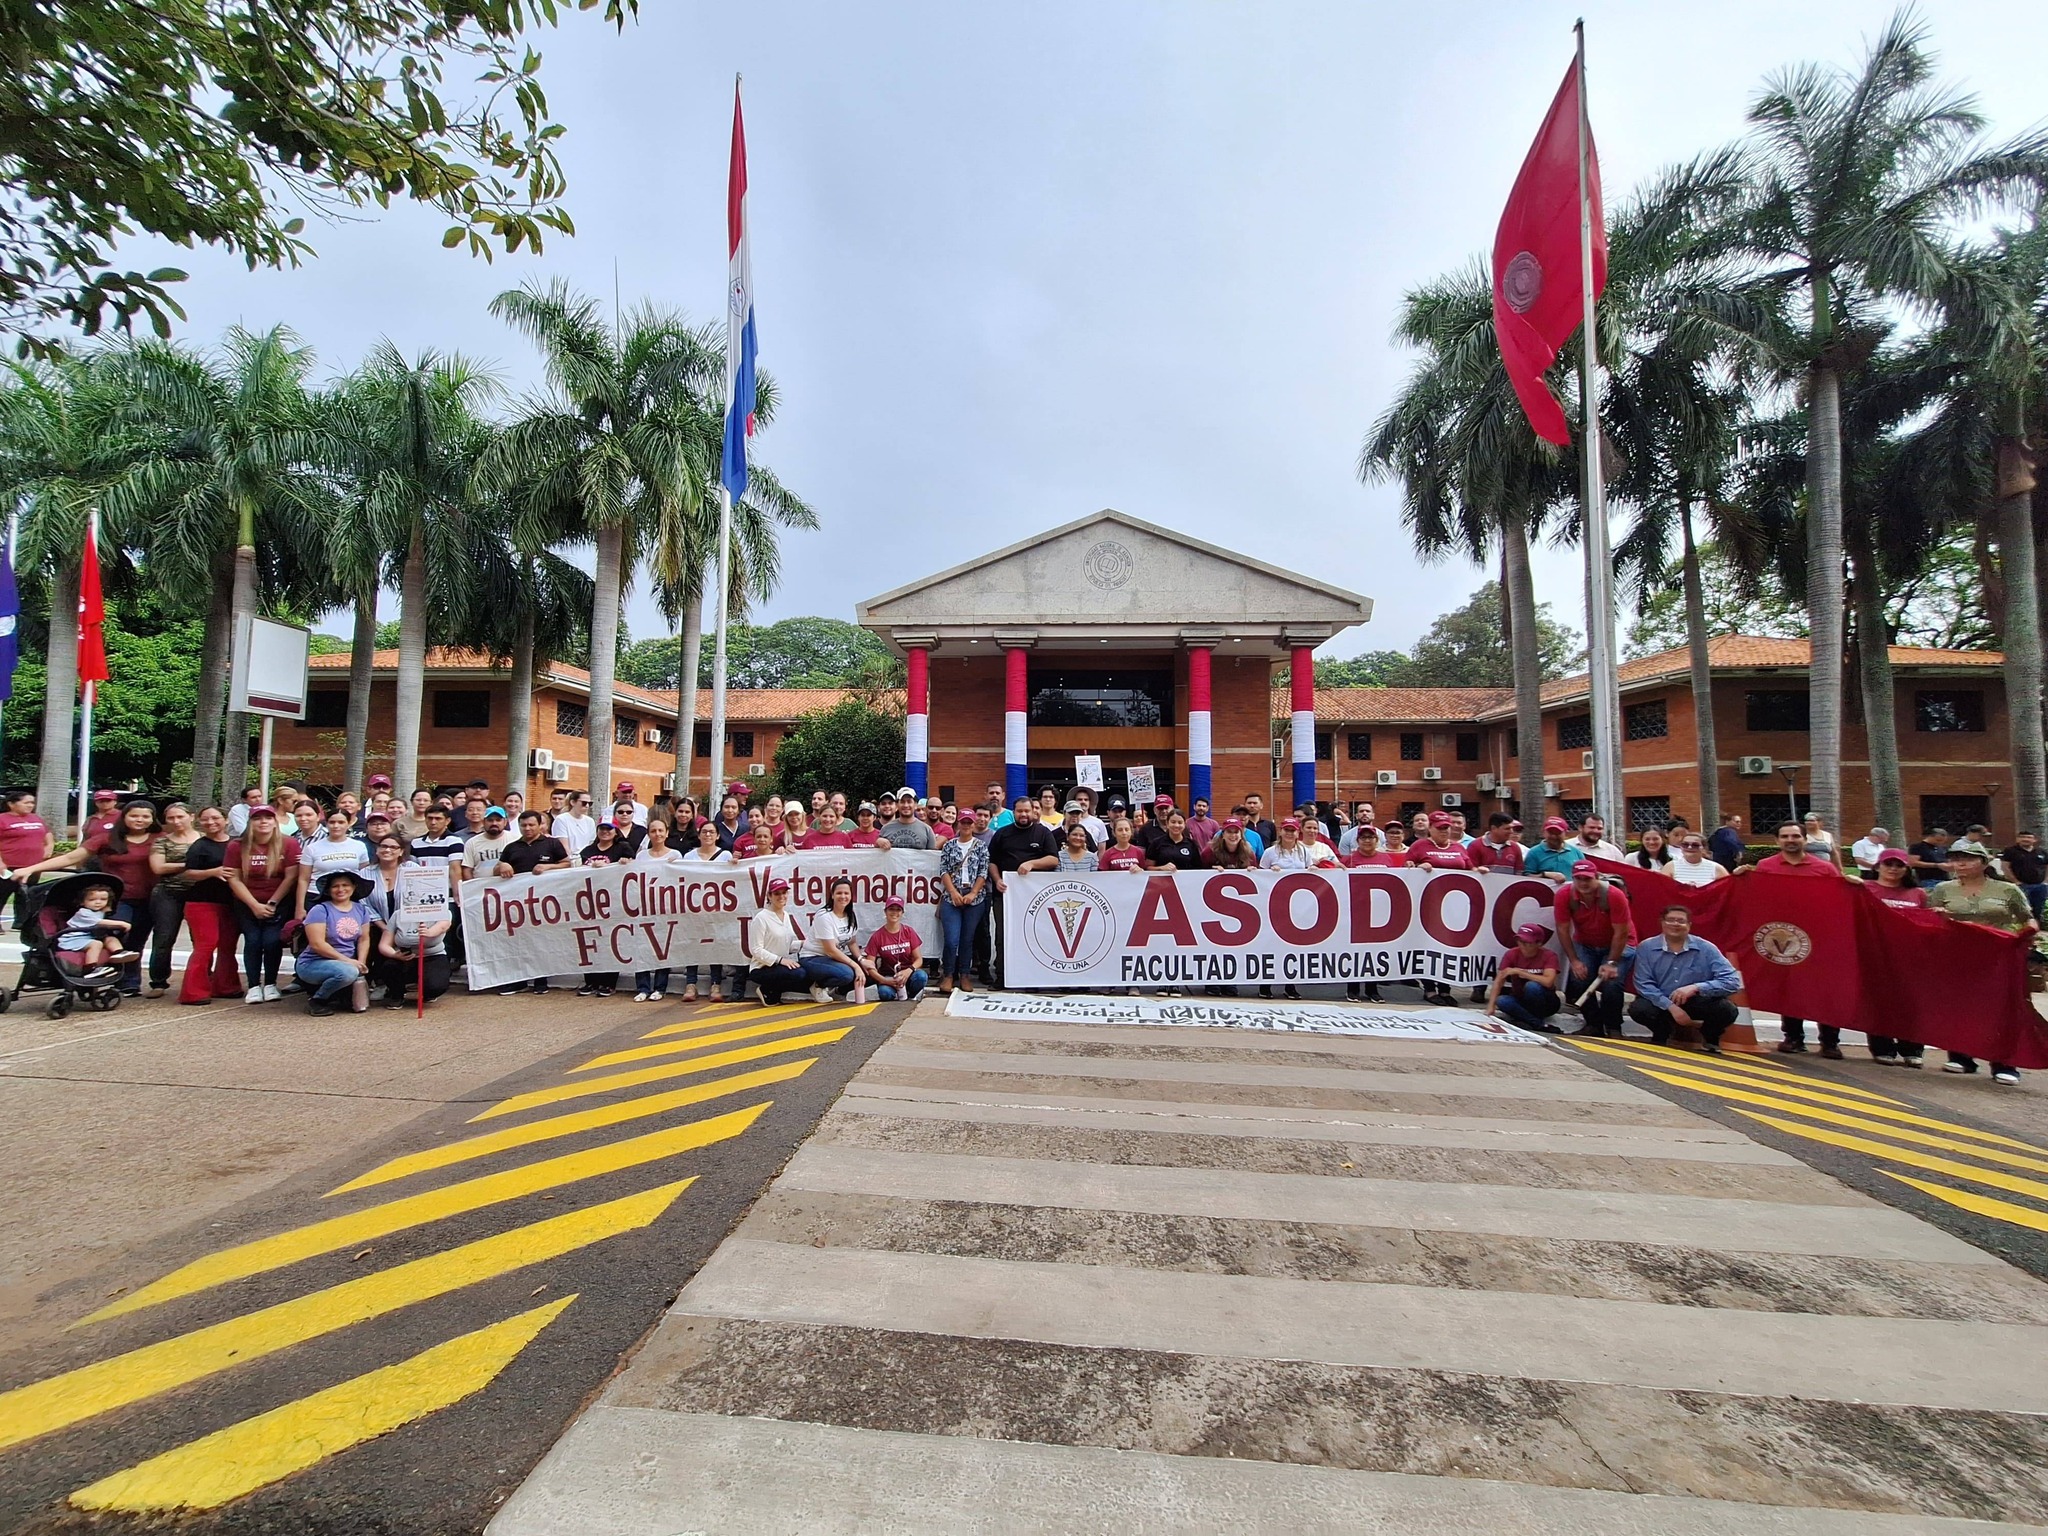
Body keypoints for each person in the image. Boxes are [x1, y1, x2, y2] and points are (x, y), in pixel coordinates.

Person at [1736, 822, 1863, 1056]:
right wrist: (1741, 880)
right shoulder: (1766, 866)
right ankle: (1793, 1038)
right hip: (1784, 937)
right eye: (1785, 836)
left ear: (1805, 840)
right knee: (1790, 988)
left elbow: (1838, 898)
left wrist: (1854, 886)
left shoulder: (1824, 869)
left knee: (1824, 989)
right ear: (1777, 841)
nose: (1790, 840)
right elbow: (1758, 900)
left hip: (1819, 939)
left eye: (1795, 836)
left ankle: (1830, 1042)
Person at [19, 798, 163, 996]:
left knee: (138, 940)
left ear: (153, 818)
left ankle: (130, 983)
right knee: (118, 937)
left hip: (151, 897)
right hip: (115, 899)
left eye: (145, 816)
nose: (140, 820)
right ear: (124, 817)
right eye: (134, 815)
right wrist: (31, 868)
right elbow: (71, 857)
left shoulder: (161, 837)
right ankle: (118, 980)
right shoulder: (106, 838)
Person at [1928, 845, 2036, 1085]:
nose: (1961, 864)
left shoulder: (2007, 890)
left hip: (1998, 956)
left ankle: (2004, 1063)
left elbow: (2027, 918)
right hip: (1958, 955)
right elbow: (1929, 922)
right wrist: (1938, 916)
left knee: (2000, 1008)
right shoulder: (1942, 889)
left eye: (1968, 859)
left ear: (1984, 863)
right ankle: (1960, 1056)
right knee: (1960, 1006)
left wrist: (2029, 932)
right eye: (1956, 859)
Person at [1627, 905, 1744, 1052]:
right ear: (1662, 923)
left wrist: (1696, 987)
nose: (1675, 924)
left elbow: (1733, 981)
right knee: (1639, 1009)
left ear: (1689, 925)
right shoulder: (1646, 947)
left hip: (1696, 1001)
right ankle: (1662, 1033)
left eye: (1681, 921)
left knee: (1727, 1010)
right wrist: (1672, 1007)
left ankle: (1710, 1037)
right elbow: (1643, 984)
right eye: (1670, 920)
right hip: (1661, 1001)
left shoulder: (1707, 948)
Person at [363, 836, 452, 1009]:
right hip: (383, 923)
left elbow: (443, 921)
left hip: (420, 936)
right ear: (377, 849)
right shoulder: (366, 873)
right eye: (383, 846)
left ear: (402, 851)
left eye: (393, 847)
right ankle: (393, 990)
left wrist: (430, 932)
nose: (387, 850)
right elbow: (363, 903)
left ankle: (426, 988)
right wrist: (388, 928)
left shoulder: (413, 869)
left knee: (435, 983)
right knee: (387, 963)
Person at [1553, 862, 1636, 1039]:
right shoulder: (1564, 895)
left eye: (1587, 878)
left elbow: (1621, 933)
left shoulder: (1614, 895)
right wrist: (1574, 960)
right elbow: (1562, 929)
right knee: (1579, 979)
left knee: (1612, 983)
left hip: (1620, 942)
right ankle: (1593, 1023)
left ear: (1596, 877)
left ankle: (1614, 1027)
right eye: (1578, 878)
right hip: (1586, 943)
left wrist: (1612, 962)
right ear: (1573, 879)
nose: (1583, 883)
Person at [228, 804, 299, 1002]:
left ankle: (270, 983)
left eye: (268, 818)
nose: (263, 822)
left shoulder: (289, 843)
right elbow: (233, 878)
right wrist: (254, 905)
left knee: (271, 941)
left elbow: (291, 876)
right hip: (247, 902)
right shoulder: (237, 846)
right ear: (251, 822)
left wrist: (273, 903)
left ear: (275, 822)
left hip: (278, 901)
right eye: (258, 818)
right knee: (252, 941)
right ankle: (253, 986)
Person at [175, 806, 244, 1004]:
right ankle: (193, 992)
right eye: (205, 819)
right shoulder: (199, 846)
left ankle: (226, 986)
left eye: (215, 818)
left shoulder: (236, 844)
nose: (211, 822)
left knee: (228, 946)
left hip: (230, 902)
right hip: (202, 902)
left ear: (226, 820)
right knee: (206, 945)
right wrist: (213, 872)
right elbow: (188, 873)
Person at [1864, 851, 1927, 1067]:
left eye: (1898, 865)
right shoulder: (1864, 889)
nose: (1893, 868)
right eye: (1888, 864)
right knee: (1878, 1003)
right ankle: (1882, 1048)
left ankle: (1912, 1049)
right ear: (1877, 866)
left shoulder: (1918, 894)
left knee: (1911, 1003)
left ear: (1906, 869)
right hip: (1875, 954)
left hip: (1910, 958)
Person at [988, 797, 1057, 986]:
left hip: (1034, 896)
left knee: (1034, 935)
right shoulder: (1002, 834)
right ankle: (1002, 976)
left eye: (1027, 811)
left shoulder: (1043, 833)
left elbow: (1053, 859)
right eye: (1020, 811)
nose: (1024, 814)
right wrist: (997, 880)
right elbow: (992, 861)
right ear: (1014, 812)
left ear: (1034, 812)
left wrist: (1032, 863)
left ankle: (1034, 977)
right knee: (1003, 936)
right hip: (1005, 894)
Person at [630, 817, 695, 1001]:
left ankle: (660, 987)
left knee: (663, 948)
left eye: (661, 831)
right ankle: (642, 987)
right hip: (645, 908)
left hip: (666, 909)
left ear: (667, 833)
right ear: (649, 834)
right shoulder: (641, 856)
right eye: (653, 831)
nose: (657, 834)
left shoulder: (675, 855)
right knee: (642, 947)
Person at [298, 869, 372, 1015]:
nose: (341, 889)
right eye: (335, 886)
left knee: (353, 976)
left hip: (346, 963)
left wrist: (360, 963)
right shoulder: (320, 910)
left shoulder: (361, 909)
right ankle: (317, 1000)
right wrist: (349, 963)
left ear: (353, 887)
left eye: (345, 885)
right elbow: (317, 944)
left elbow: (364, 938)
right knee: (348, 972)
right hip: (313, 963)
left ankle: (339, 994)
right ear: (328, 890)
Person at [572, 819, 632, 997]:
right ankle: (591, 980)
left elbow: (632, 866)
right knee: (589, 941)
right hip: (589, 902)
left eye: (609, 829)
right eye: (602, 829)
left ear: (615, 831)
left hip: (613, 901)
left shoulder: (622, 848)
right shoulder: (587, 851)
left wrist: (618, 864)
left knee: (610, 941)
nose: (605, 832)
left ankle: (608, 982)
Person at [146, 802, 201, 997]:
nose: (176, 821)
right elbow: (158, 868)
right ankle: (158, 981)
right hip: (168, 893)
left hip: (200, 895)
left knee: (201, 940)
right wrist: (191, 864)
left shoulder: (204, 839)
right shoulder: (162, 841)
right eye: (171, 818)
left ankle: (203, 977)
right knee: (164, 938)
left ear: (191, 817)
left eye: (180, 817)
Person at [936, 813, 989, 995]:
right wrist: (953, 892)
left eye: (969, 822)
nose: (966, 825)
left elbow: (983, 871)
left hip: (975, 898)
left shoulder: (981, 846)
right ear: (958, 824)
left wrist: (974, 892)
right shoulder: (949, 845)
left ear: (973, 825)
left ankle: (965, 974)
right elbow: (943, 870)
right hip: (952, 896)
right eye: (963, 822)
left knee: (967, 939)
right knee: (951, 940)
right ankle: (949, 974)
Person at [799, 876, 865, 1003]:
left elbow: (852, 942)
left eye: (846, 893)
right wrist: (856, 966)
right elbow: (830, 950)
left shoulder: (850, 915)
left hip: (833, 959)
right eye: (839, 893)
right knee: (847, 974)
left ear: (851, 896)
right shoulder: (824, 916)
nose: (843, 896)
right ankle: (819, 986)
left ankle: (839, 993)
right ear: (832, 895)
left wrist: (861, 960)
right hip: (813, 958)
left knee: (868, 970)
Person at [1486, 923, 1561, 1033]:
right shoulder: (1511, 954)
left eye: (1527, 943)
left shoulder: (1549, 956)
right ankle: (1536, 1023)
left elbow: (1549, 982)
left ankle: (1530, 1019)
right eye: (1520, 941)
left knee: (1532, 986)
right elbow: (1499, 980)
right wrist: (1491, 1006)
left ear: (1539, 944)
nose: (1522, 945)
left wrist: (1522, 972)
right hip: (1521, 998)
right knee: (1502, 1001)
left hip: (1546, 1001)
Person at [745, 879, 810, 1005]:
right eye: (777, 894)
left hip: (779, 965)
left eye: (784, 893)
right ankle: (767, 988)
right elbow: (756, 950)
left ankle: (772, 992)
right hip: (762, 967)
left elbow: (786, 944)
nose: (782, 896)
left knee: (808, 973)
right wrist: (780, 960)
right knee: (799, 974)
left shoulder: (785, 915)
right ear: (769, 896)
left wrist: (804, 944)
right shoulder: (761, 918)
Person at [298, 809, 373, 919]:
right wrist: (300, 908)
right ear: (326, 824)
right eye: (332, 822)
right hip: (317, 897)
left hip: (349, 896)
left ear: (348, 824)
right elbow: (303, 879)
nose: (336, 826)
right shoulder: (312, 848)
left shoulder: (359, 846)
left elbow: (364, 873)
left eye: (341, 822)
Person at [0, 786, 51, 933]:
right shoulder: (3, 819)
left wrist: (48, 847)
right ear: (11, 804)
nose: (30, 806)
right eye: (26, 803)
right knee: (2, 894)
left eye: (32, 803)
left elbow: (47, 835)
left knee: (26, 895)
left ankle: (21, 923)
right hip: (9, 865)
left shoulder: (35, 818)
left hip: (32, 866)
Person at [56, 884, 135, 970]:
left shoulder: (100, 911)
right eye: (92, 899)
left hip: (89, 937)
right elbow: (100, 922)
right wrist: (122, 924)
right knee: (96, 944)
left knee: (111, 939)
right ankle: (91, 968)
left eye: (103, 899)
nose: (98, 902)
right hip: (73, 939)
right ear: (82, 902)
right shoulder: (83, 913)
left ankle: (119, 953)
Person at [862, 898, 926, 1000]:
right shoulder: (877, 936)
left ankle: (910, 995)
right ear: (885, 911)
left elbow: (919, 959)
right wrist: (883, 980)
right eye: (891, 909)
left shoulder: (908, 931)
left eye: (898, 910)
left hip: (907, 974)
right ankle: (895, 994)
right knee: (885, 993)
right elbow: (870, 966)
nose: (894, 912)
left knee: (921, 976)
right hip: (888, 976)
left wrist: (908, 971)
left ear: (902, 913)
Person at [497, 810, 571, 877]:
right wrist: (502, 866)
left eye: (531, 825)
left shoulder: (553, 843)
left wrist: (548, 867)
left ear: (539, 825)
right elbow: (495, 871)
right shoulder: (511, 847)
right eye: (523, 825)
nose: (527, 828)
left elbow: (567, 864)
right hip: (518, 889)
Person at [2000, 830, 2048, 921]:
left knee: (2038, 909)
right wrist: (2016, 882)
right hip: (2021, 885)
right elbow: (2005, 867)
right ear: (2017, 839)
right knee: (2022, 909)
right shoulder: (2010, 851)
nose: (2025, 839)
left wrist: (2045, 881)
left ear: (2034, 840)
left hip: (2040, 886)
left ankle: (2037, 928)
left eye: (2029, 837)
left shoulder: (2041, 852)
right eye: (2022, 837)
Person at [1406, 813, 1479, 870]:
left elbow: (1471, 869)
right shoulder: (1418, 845)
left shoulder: (1458, 847)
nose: (1443, 831)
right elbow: (1406, 868)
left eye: (1446, 828)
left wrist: (1481, 871)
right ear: (1430, 828)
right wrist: (1418, 868)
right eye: (1439, 828)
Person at [1522, 818, 1580, 884]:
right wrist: (1545, 874)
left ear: (1565, 833)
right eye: (1550, 832)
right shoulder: (1534, 853)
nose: (1554, 836)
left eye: (1558, 833)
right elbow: (1526, 878)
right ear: (1543, 833)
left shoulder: (1576, 852)